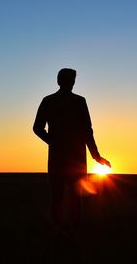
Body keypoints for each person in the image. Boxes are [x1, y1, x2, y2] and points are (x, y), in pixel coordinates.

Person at [33, 68, 110, 229]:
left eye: (73, 79)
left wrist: (97, 157)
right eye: (70, 79)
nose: (72, 83)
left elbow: (87, 131)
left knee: (70, 197)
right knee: (61, 196)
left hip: (71, 158)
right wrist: (54, 142)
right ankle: (63, 231)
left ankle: (70, 231)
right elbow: (37, 128)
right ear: (62, 81)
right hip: (64, 157)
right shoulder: (54, 101)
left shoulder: (74, 101)